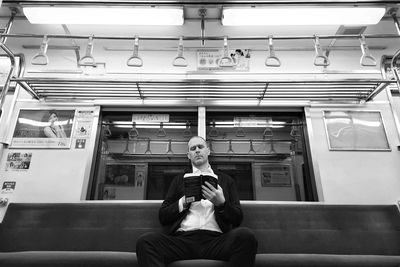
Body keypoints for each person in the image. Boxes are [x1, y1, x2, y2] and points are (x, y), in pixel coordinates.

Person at [136, 136, 258, 267]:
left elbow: (237, 218)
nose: (197, 151)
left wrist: (221, 204)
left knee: (246, 237)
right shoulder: (179, 180)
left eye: (200, 147)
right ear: (188, 155)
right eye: (193, 149)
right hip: (183, 240)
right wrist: (183, 202)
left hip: (217, 240)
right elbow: (163, 216)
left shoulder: (226, 180)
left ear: (208, 151)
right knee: (146, 241)